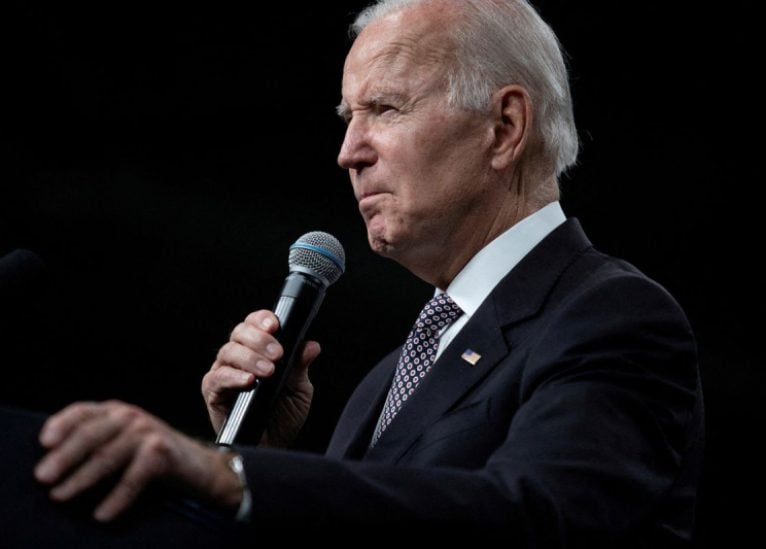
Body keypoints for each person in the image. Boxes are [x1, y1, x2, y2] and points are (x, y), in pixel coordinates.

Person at [4, 0, 704, 547]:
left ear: (505, 125)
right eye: (348, 117)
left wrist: (233, 475)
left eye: (384, 108)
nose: (348, 152)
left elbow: (537, 518)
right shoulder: (389, 375)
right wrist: (254, 444)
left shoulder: (611, 316)